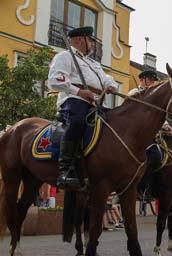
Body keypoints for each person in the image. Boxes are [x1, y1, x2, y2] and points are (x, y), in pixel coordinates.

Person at [48, 26, 118, 189]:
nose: (93, 44)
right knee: (77, 121)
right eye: (90, 40)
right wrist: (79, 91)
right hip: (74, 99)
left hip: (96, 102)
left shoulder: (93, 64)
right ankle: (65, 170)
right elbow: (54, 80)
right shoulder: (65, 56)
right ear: (80, 40)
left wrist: (110, 85)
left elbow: (107, 78)